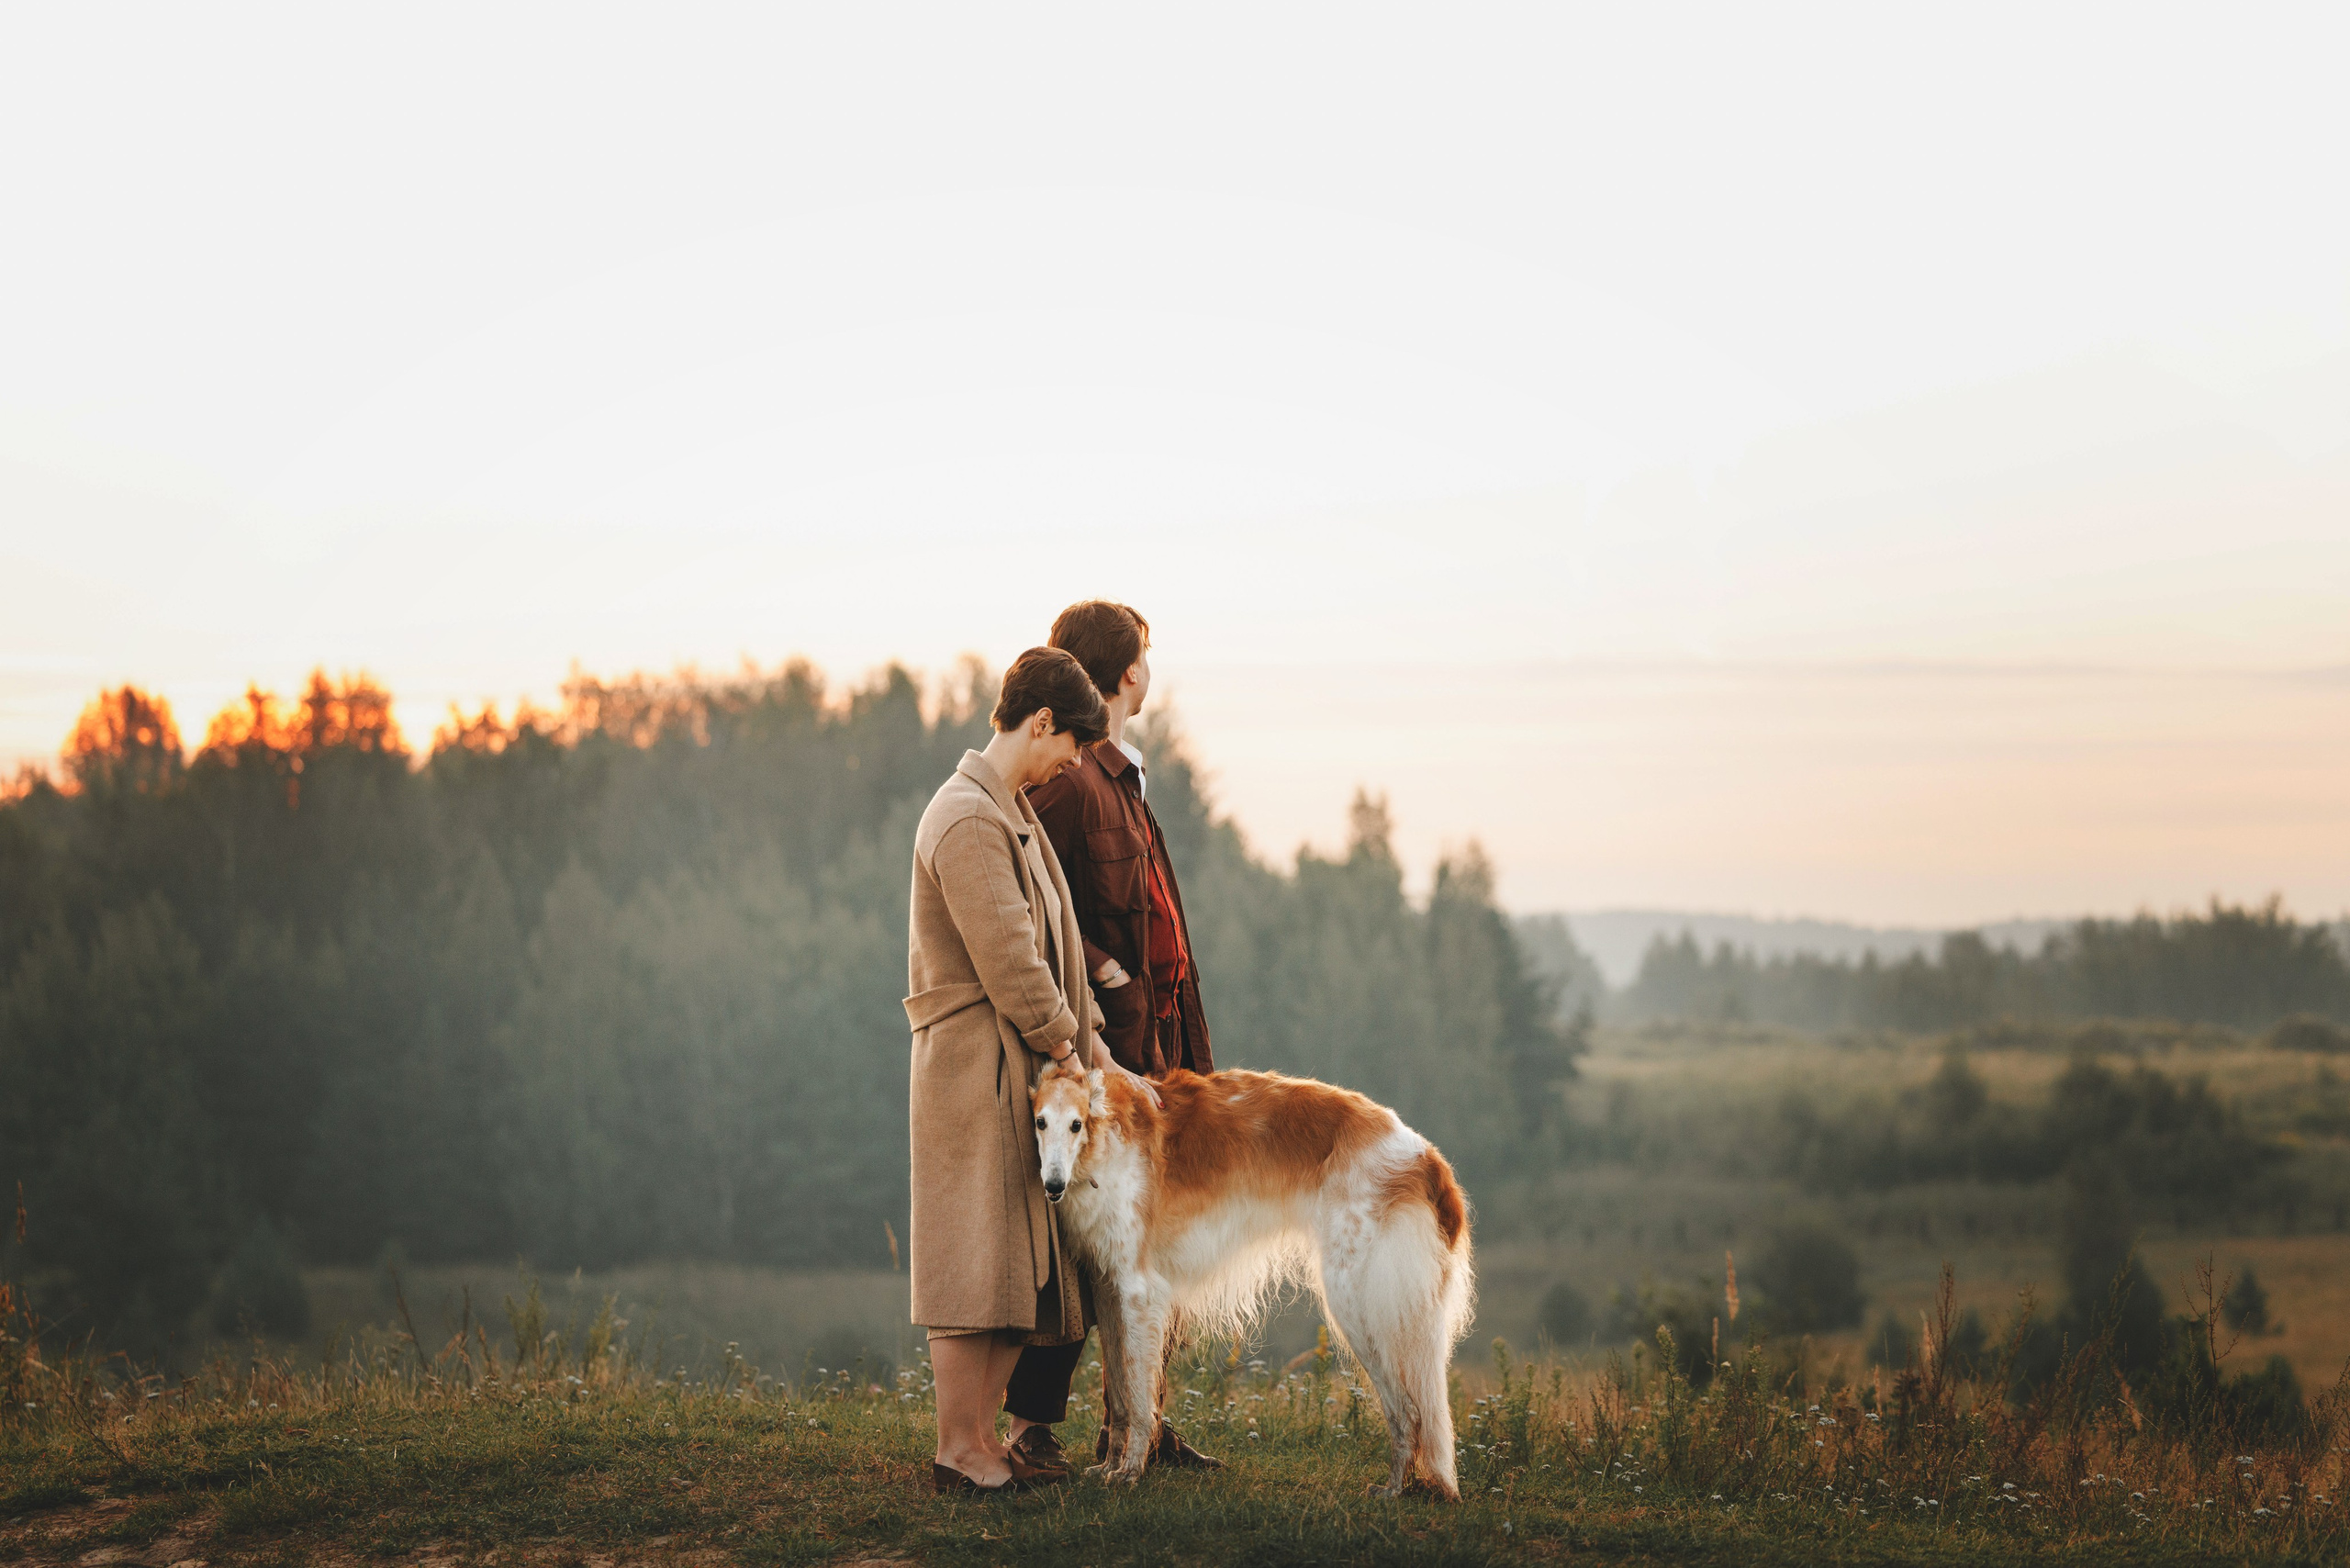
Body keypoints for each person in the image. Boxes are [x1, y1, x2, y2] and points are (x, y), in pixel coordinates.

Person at [903, 645, 1164, 1494]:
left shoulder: (1009, 809)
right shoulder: (968, 818)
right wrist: (1068, 1043)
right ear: (1041, 721)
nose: (1069, 766)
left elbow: (1058, 955)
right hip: (975, 1066)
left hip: (1023, 1062)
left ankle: (982, 1441)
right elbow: (1013, 961)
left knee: (1022, 1260)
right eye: (1067, 746)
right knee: (973, 1256)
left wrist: (1094, 1047)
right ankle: (960, 1447)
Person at [1000, 600, 1222, 1474]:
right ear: (1127, 671)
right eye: (1148, 658)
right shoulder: (1069, 776)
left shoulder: (1122, 774)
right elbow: (1030, 902)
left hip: (1155, 1040)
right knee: (1079, 1238)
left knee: (1152, 1234)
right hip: (1100, 1048)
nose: (1153, 671)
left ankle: (1142, 1425)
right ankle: (1031, 1429)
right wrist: (1101, 971)